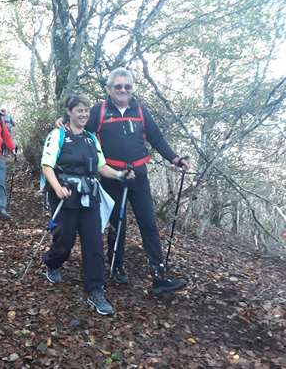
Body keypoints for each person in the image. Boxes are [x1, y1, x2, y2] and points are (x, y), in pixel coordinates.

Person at [56, 68, 190, 295]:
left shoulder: (140, 110)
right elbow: (81, 130)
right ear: (109, 89)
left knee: (148, 223)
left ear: (132, 89)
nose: (123, 90)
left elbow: (156, 137)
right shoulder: (99, 111)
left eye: (127, 86)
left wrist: (175, 158)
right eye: (118, 86)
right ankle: (116, 266)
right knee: (118, 223)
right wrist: (63, 122)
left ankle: (159, 276)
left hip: (139, 175)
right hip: (112, 176)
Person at [42, 94, 134, 316]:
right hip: (65, 196)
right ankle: (53, 263)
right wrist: (57, 188)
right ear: (70, 111)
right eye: (79, 110)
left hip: (89, 196)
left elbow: (102, 167)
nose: (83, 114)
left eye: (86, 111)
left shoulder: (92, 138)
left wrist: (120, 175)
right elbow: (47, 165)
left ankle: (96, 291)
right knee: (64, 240)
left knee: (93, 243)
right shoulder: (58, 135)